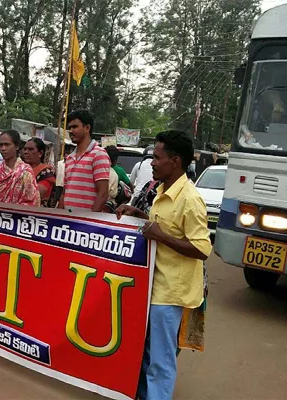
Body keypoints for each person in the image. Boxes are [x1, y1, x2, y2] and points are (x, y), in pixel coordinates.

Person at [116, 130, 211, 400]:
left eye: (157, 158)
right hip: (153, 286)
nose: (152, 163)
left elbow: (203, 249)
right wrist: (139, 214)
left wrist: (161, 236)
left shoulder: (190, 200)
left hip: (171, 293)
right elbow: (164, 226)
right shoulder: (162, 191)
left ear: (176, 161)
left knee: (160, 360)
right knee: (144, 352)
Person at [59, 110, 110, 212]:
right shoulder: (69, 158)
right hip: (68, 223)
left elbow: (103, 193)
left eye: (75, 127)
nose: (71, 131)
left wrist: (88, 222)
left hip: (84, 224)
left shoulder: (99, 154)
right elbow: (65, 192)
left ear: (87, 128)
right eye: (69, 128)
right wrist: (59, 216)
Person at [0, 130, 40, 206]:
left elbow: (32, 200)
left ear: (16, 146)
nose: (3, 148)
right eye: (1, 145)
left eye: (7, 145)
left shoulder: (25, 172)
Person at [22, 138, 56, 207]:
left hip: (39, 213)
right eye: (25, 149)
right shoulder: (21, 169)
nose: (26, 152)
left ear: (40, 153)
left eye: (30, 149)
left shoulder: (46, 172)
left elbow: (35, 194)